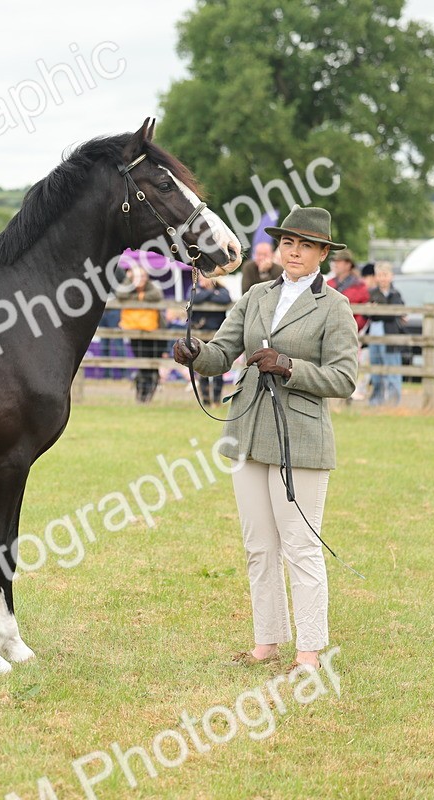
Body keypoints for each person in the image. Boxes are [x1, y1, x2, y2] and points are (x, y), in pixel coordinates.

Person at [173, 205, 358, 672]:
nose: (295, 252)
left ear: (322, 254)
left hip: (301, 438)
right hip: (248, 432)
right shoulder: (255, 295)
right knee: (259, 545)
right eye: (289, 243)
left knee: (300, 546)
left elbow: (343, 378)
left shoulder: (335, 307)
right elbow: (221, 353)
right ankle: (266, 643)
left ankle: (309, 651)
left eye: (306, 246)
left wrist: (291, 367)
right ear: (279, 248)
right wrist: (196, 354)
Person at [118, 266, 163, 403]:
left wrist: (139, 297)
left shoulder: (151, 287)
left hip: (155, 333)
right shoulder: (129, 287)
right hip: (136, 332)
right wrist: (129, 279)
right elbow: (120, 294)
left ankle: (148, 394)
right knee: (142, 364)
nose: (141, 280)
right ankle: (141, 394)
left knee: (152, 365)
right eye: (138, 277)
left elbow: (157, 295)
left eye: (143, 276)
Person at [189, 272, 233, 405]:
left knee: (218, 367)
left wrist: (208, 294)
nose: (203, 280)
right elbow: (193, 298)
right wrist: (211, 293)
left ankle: (217, 398)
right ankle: (206, 399)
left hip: (217, 334)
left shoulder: (222, 290)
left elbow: (225, 299)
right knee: (201, 366)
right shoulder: (196, 289)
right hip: (200, 335)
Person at [367, 262, 406, 407]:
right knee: (376, 371)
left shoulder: (396, 294)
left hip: (391, 334)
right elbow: (372, 315)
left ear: (391, 276)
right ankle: (376, 401)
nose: (382, 278)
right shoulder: (372, 293)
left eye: (385, 275)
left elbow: (398, 311)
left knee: (393, 369)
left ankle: (393, 402)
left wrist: (380, 311)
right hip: (375, 334)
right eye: (379, 275)